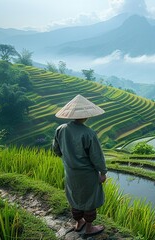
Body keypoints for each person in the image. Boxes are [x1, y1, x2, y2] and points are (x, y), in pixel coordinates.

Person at [52, 94, 107, 236]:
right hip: (87, 174)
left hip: (70, 172)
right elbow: (97, 157)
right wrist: (102, 172)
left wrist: (69, 158)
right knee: (89, 199)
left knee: (74, 195)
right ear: (87, 115)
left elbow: (56, 150)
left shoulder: (61, 129)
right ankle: (89, 228)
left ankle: (78, 222)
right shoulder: (89, 133)